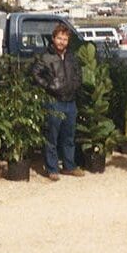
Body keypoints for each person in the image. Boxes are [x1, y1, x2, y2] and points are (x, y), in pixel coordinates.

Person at [32, 24, 84, 181]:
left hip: (71, 102)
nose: (62, 42)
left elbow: (78, 74)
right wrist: (49, 86)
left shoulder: (71, 57)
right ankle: (52, 168)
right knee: (52, 137)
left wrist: (75, 85)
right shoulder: (45, 57)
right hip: (54, 101)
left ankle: (69, 166)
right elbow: (36, 74)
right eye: (59, 38)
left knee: (69, 136)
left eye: (65, 39)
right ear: (53, 39)